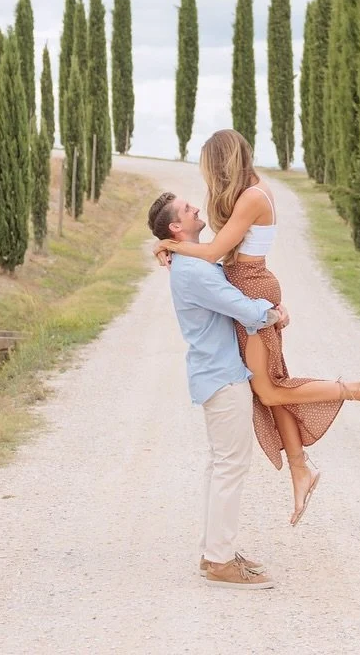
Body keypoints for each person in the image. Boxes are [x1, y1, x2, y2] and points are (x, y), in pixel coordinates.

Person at [157, 129, 360, 527]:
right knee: (276, 384)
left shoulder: (253, 197)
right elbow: (222, 256)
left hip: (251, 289)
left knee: (269, 391)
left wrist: (171, 246)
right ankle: (300, 468)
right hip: (251, 289)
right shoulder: (248, 193)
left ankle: (358, 390)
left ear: (222, 163)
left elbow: (217, 252)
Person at [150, 190, 279, 590]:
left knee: (220, 463)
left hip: (216, 374)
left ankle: (214, 553)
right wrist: (275, 313)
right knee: (230, 465)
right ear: (176, 227)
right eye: (188, 210)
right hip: (222, 377)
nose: (196, 209)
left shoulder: (190, 260)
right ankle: (220, 562)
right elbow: (236, 303)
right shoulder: (192, 269)